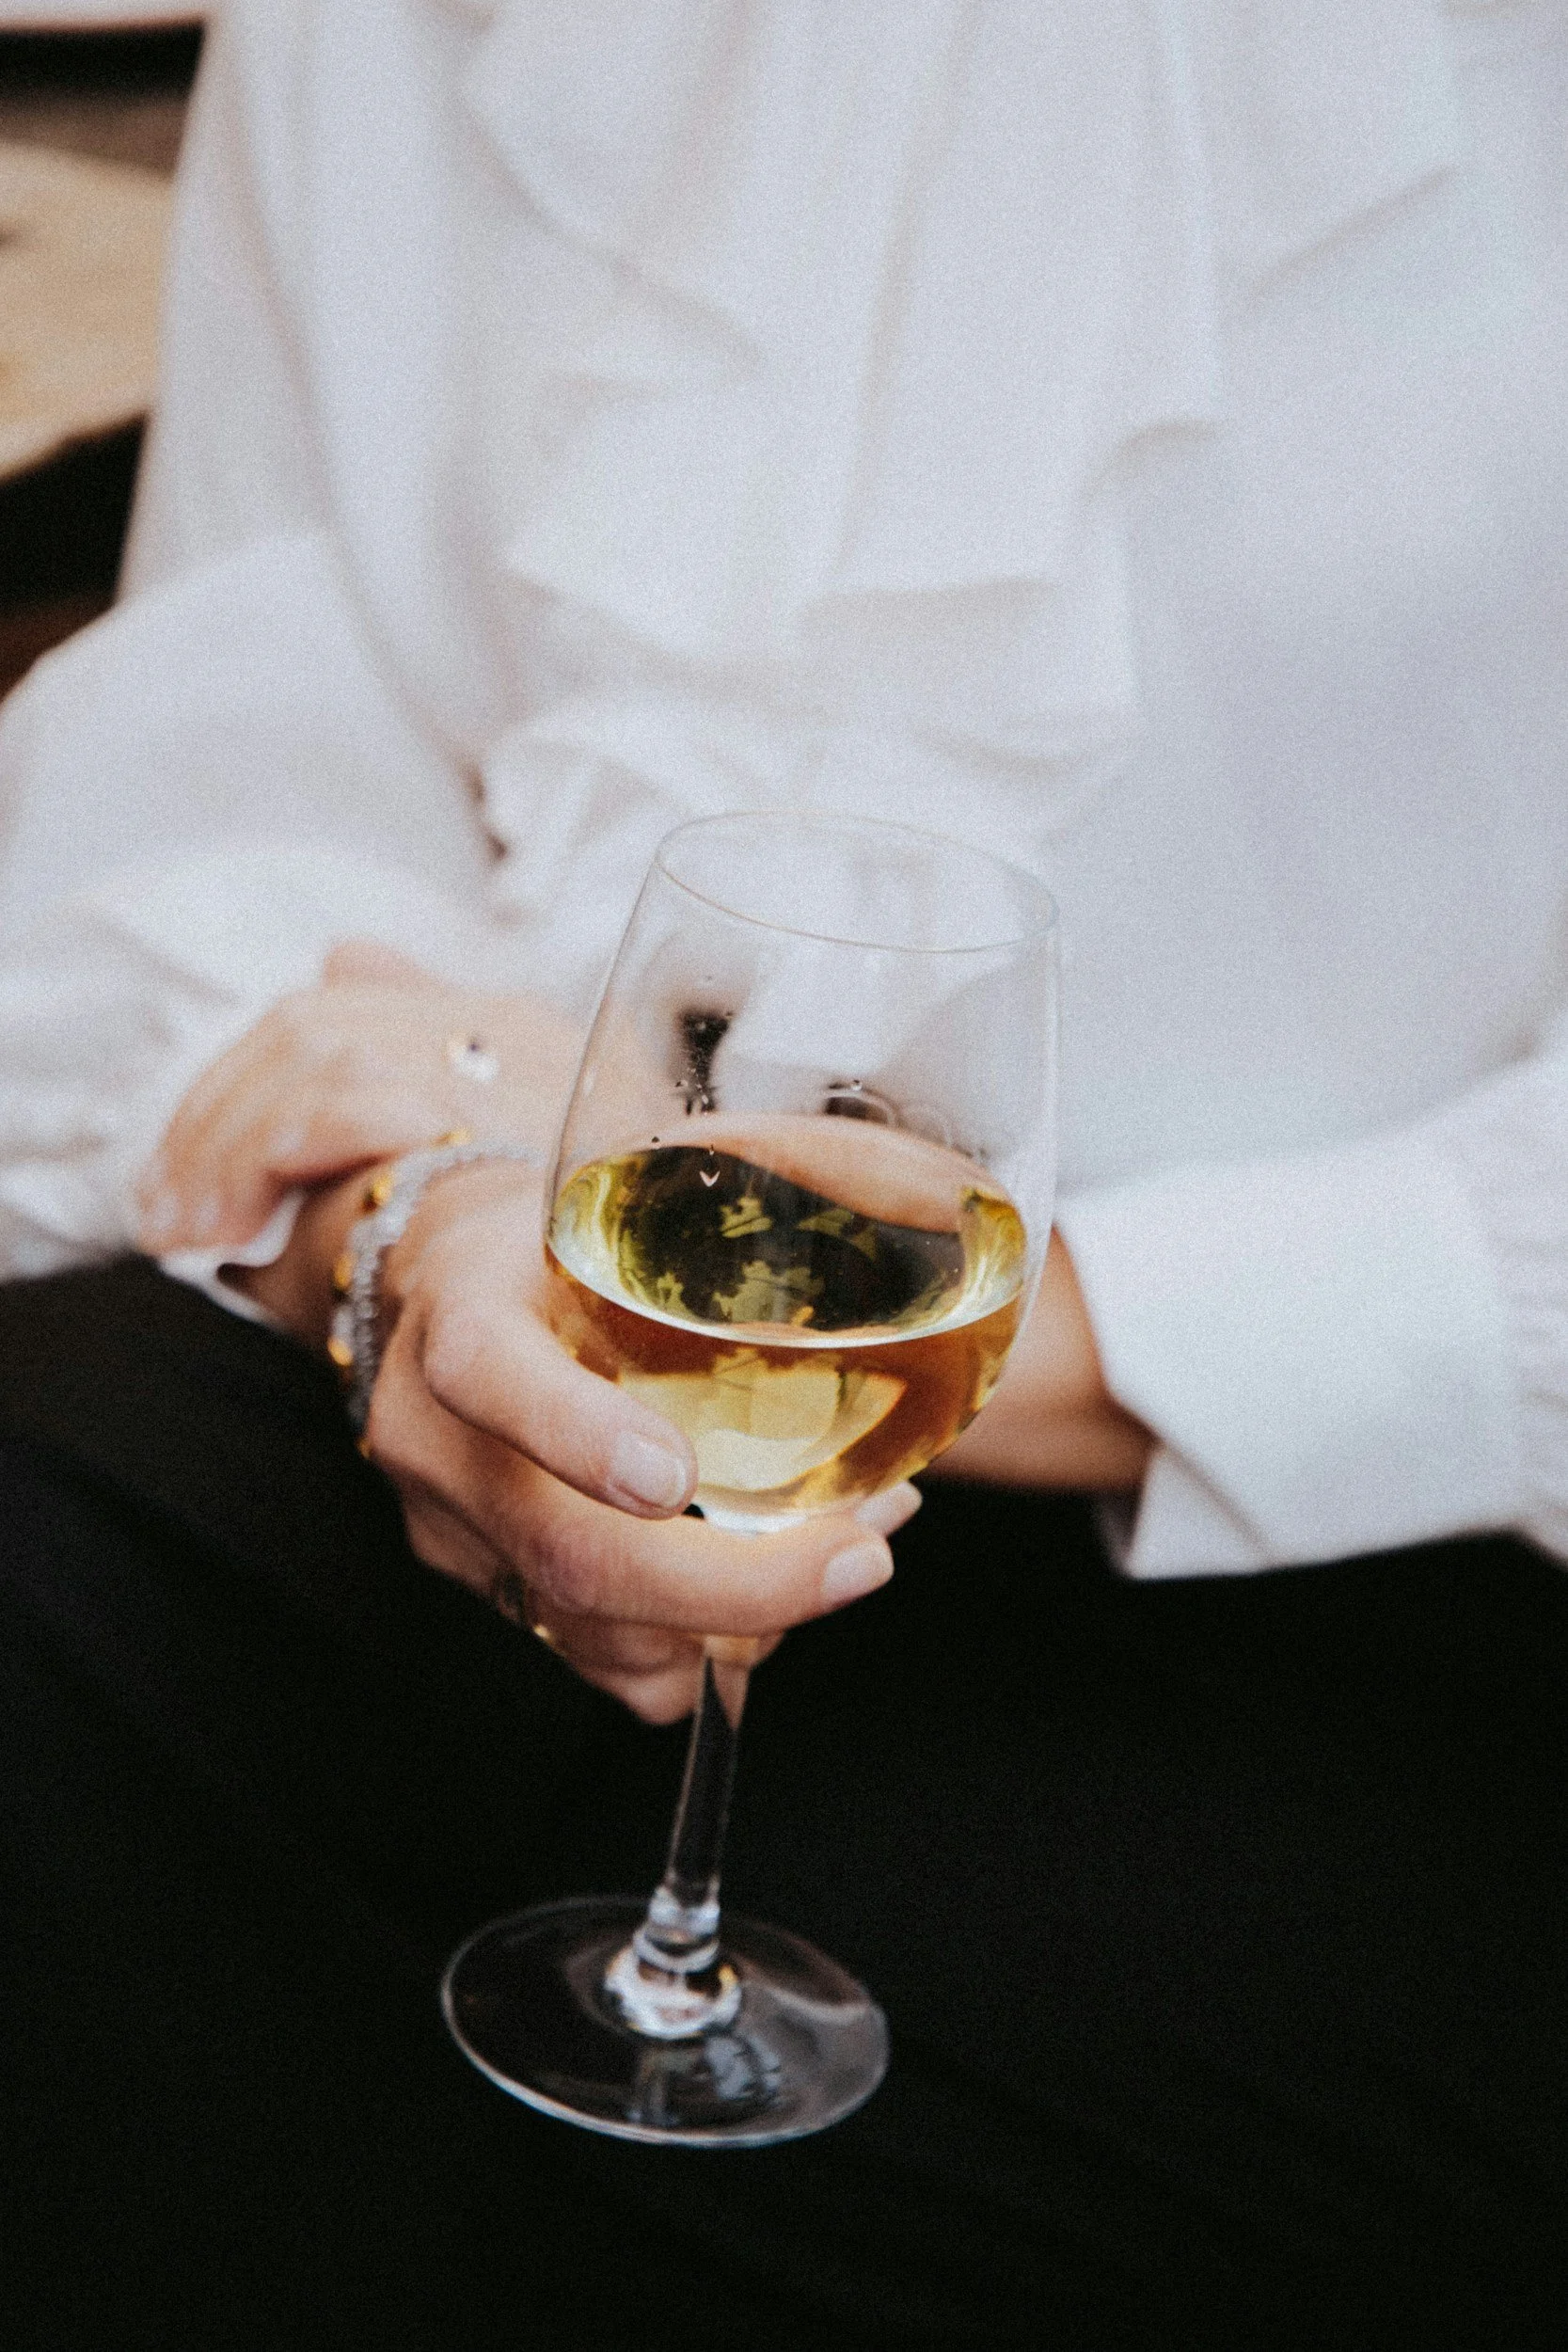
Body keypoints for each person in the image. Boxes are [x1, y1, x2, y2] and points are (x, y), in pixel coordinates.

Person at [2, 5, 1566, 2344]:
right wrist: (417, 1227)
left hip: (1403, 1568)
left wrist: (1046, 1329)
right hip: (499, 1397)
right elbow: (261, 740)